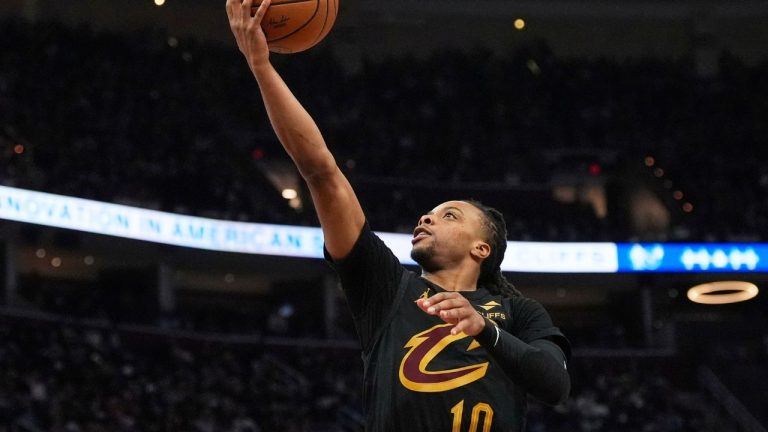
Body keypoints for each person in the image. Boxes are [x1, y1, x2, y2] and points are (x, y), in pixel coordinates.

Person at [226, 1, 571, 430]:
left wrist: (484, 328)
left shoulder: (519, 314)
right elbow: (321, 171)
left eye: (448, 216)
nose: (425, 219)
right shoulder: (386, 288)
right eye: (428, 213)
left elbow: (555, 385)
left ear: (482, 247)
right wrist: (262, 68)